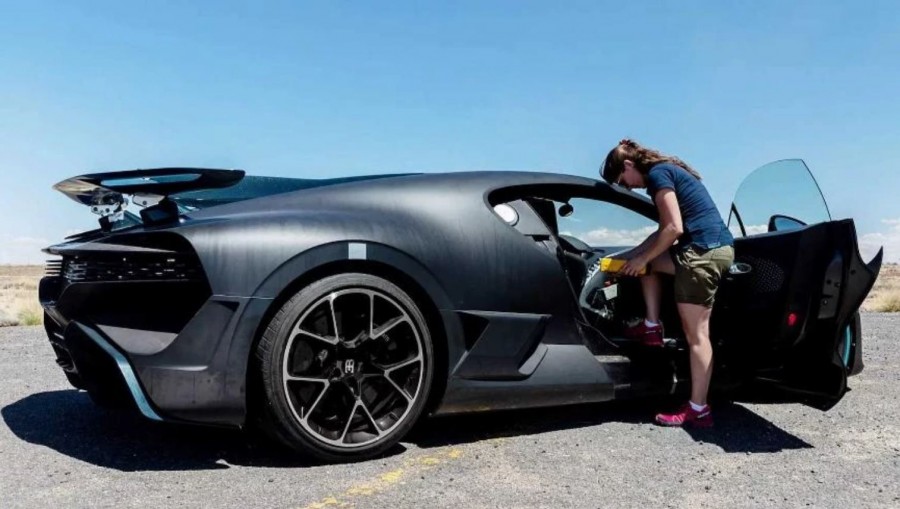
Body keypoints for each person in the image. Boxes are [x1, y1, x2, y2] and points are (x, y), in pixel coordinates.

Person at [600, 139, 734, 427]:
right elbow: (662, 232)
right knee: (648, 265)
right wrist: (631, 258)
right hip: (706, 249)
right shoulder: (665, 171)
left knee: (697, 336)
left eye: (623, 181)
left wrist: (640, 258)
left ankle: (699, 408)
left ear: (628, 165)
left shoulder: (658, 175)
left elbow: (674, 228)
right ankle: (651, 327)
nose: (627, 187)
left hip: (702, 253)